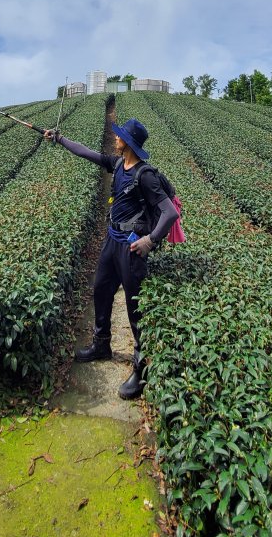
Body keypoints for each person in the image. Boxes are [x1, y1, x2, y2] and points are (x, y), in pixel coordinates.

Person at [45, 117, 179, 399]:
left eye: (119, 137)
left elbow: (169, 213)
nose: (115, 139)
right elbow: (87, 152)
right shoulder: (118, 164)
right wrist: (59, 139)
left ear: (128, 143)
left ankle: (140, 371)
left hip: (131, 249)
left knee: (135, 310)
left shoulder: (145, 175)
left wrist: (149, 240)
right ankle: (101, 344)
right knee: (101, 291)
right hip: (111, 241)